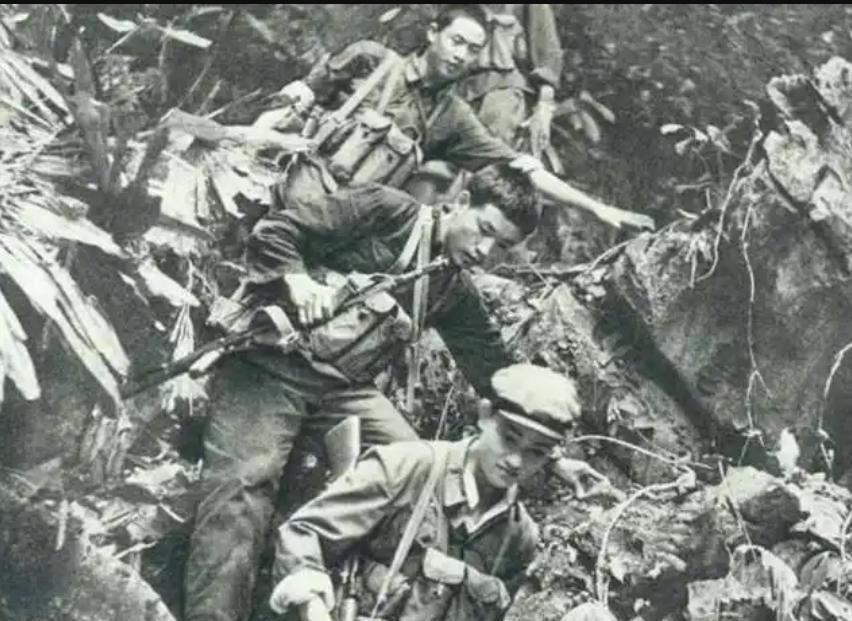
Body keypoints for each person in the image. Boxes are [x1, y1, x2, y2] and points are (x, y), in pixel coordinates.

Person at [183, 163, 541, 621]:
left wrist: (545, 444)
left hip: (342, 389)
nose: (484, 250)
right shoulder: (387, 210)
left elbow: (495, 369)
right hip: (270, 366)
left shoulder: (452, 288)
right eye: (484, 230)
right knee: (241, 491)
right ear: (462, 201)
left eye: (502, 246)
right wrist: (297, 280)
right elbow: (275, 231)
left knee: (417, 472)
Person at [269, 363, 581, 621]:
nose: (516, 461)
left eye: (536, 452)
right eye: (509, 438)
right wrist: (314, 608)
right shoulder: (406, 467)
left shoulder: (519, 537)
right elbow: (303, 532)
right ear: (485, 415)